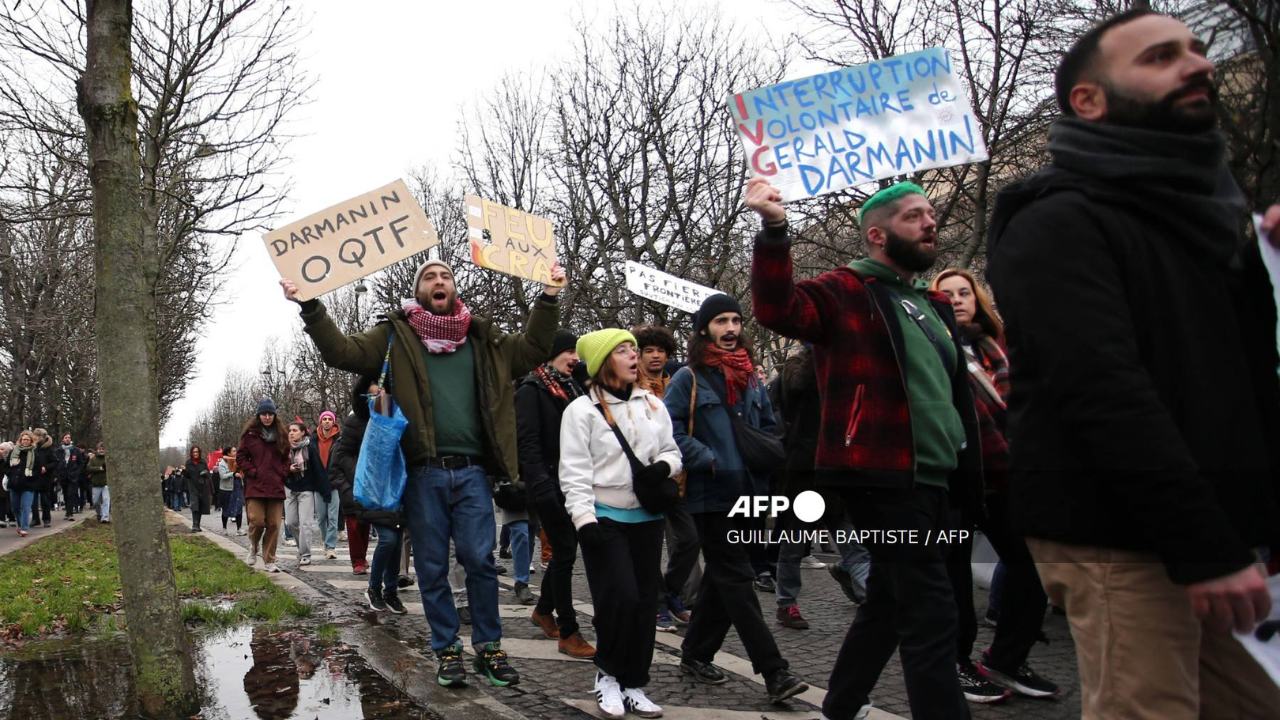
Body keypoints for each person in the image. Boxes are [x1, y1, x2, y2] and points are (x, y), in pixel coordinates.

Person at [986, 10, 1280, 719]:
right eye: (1160, 56)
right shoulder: (1054, 221)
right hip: (1121, 531)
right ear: (1087, 99)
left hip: (1217, 527)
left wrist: (1263, 270)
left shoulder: (1207, 220)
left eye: (1198, 51)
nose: (1199, 65)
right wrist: (1202, 544)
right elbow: (1102, 392)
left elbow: (1240, 383)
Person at [749, 178, 998, 720]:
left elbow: (959, 403)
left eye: (932, 212)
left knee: (888, 600)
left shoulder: (930, 306)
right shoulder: (846, 290)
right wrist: (773, 229)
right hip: (880, 476)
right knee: (933, 609)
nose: (930, 222)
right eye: (914, 216)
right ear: (878, 235)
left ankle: (840, 707)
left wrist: (982, 473)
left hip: (938, 479)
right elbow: (776, 307)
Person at [281, 258, 567, 688]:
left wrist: (547, 298)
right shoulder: (397, 334)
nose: (439, 281)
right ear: (419, 291)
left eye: (446, 276)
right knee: (431, 566)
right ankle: (447, 650)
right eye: (429, 277)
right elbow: (341, 351)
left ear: (454, 288)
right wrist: (310, 306)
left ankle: (489, 648)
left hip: (472, 473)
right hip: (422, 473)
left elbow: (531, 350)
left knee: (480, 561)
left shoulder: (482, 336)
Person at [663, 294, 810, 704]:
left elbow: (766, 424)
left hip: (751, 493)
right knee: (737, 577)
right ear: (704, 329)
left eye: (735, 320)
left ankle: (694, 653)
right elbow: (668, 430)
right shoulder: (687, 379)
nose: (730, 329)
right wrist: (704, 457)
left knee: (722, 579)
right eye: (721, 322)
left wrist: (769, 448)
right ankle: (775, 672)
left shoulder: (750, 377)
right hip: (711, 495)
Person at [931, 268, 1059, 702]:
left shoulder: (996, 349)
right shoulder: (932, 348)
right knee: (954, 581)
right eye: (946, 294)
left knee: (1028, 564)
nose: (957, 299)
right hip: (952, 477)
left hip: (1004, 475)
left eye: (964, 292)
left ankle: (1005, 658)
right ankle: (956, 662)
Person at [559, 329, 682, 719]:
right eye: (624, 350)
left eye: (634, 349)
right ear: (602, 363)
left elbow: (672, 452)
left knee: (646, 603)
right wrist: (584, 520)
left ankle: (633, 682)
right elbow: (574, 472)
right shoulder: (581, 412)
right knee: (621, 598)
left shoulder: (653, 405)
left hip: (647, 518)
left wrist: (664, 465)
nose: (634, 356)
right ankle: (608, 676)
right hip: (605, 518)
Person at [769, 344, 871, 626]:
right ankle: (786, 603)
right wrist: (820, 355)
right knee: (794, 542)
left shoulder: (846, 365)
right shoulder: (797, 366)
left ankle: (874, 602)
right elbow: (795, 391)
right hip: (803, 470)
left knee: (853, 542)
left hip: (838, 468)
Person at [517, 328, 596, 659]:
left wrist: (581, 369)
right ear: (551, 353)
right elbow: (528, 442)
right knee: (564, 551)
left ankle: (544, 610)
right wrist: (541, 485)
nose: (575, 358)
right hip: (547, 484)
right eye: (569, 352)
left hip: (572, 479)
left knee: (567, 549)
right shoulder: (530, 390)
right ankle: (569, 630)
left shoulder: (570, 386)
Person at [632, 323, 699, 630]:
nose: (656, 356)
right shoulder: (631, 385)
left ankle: (669, 593)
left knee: (689, 540)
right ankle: (658, 605)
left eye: (661, 350)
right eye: (649, 351)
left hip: (677, 476)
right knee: (647, 546)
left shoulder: (679, 382)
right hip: (644, 479)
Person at [329, 376, 378, 576]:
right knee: (355, 525)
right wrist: (347, 486)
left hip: (374, 483)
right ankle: (357, 560)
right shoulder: (352, 425)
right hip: (352, 485)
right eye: (371, 395)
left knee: (366, 525)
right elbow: (338, 462)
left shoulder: (385, 418)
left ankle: (363, 557)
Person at [239, 398, 290, 573]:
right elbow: (241, 457)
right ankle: (253, 547)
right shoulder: (250, 435)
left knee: (274, 524)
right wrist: (251, 471)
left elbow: (286, 458)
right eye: (264, 414)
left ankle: (269, 560)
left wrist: (283, 472)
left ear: (274, 416)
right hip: (256, 485)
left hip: (275, 485)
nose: (267, 417)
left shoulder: (282, 435)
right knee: (257, 520)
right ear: (258, 416)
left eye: (270, 414)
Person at [285, 420, 330, 568]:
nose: (291, 433)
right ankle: (301, 547)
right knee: (290, 522)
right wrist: (288, 469)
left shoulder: (310, 448)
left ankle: (305, 554)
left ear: (303, 432)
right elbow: (278, 467)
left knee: (305, 523)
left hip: (306, 489)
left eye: (295, 430)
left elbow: (318, 470)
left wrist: (325, 491)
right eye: (290, 430)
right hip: (290, 488)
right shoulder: (284, 448)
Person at [313, 410, 342, 560]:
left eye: (329, 419)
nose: (326, 421)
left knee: (333, 517)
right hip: (318, 483)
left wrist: (339, 478)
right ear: (320, 421)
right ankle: (326, 540)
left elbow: (343, 459)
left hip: (334, 483)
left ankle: (331, 546)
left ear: (333, 422)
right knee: (321, 517)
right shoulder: (313, 439)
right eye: (324, 419)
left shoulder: (339, 439)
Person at [7, 431, 40, 536]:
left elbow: (37, 469)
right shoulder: (14, 452)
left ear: (31, 441)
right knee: (15, 507)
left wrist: (31, 476)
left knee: (25, 506)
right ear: (20, 441)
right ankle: (20, 524)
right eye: (23, 439)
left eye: (27, 439)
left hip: (28, 484)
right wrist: (10, 475)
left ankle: (25, 527)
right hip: (14, 484)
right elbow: (7, 466)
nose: (25, 441)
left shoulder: (34, 454)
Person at [55, 433, 87, 521]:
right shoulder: (58, 451)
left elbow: (81, 463)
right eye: (66, 437)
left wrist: (77, 472)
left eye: (69, 437)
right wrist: (58, 473)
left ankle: (70, 513)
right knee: (65, 493)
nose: (68, 439)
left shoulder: (76, 450)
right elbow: (56, 463)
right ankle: (67, 512)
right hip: (63, 476)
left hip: (73, 476)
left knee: (71, 493)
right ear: (62, 439)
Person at [217, 446, 246, 536]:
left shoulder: (237, 462)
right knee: (226, 509)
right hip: (226, 489)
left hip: (237, 488)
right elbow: (222, 476)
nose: (235, 453)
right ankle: (224, 528)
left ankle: (239, 529)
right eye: (233, 451)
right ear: (228, 453)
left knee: (239, 508)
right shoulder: (222, 464)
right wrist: (233, 474)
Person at [183, 445, 212, 532]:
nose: (195, 454)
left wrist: (205, 472)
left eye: (197, 452)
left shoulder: (203, 462)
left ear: (199, 452)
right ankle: (194, 525)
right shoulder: (188, 462)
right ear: (191, 453)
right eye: (193, 452)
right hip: (193, 486)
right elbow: (187, 476)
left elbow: (208, 473)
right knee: (194, 505)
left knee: (200, 506)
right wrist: (185, 471)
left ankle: (198, 525)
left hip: (202, 486)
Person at [31, 428, 55, 528]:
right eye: (35, 436)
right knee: (33, 500)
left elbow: (55, 462)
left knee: (45, 499)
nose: (36, 438)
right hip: (34, 477)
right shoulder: (33, 448)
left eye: (38, 436)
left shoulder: (49, 449)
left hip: (45, 478)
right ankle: (35, 519)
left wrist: (46, 467)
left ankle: (46, 519)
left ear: (42, 437)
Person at [86, 442, 110, 523]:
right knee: (96, 502)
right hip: (96, 484)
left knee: (106, 500)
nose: (102, 450)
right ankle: (99, 513)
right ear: (97, 450)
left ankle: (105, 518)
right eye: (100, 449)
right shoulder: (93, 459)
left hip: (106, 483)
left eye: (103, 449)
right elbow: (88, 468)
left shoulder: (108, 458)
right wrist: (98, 469)